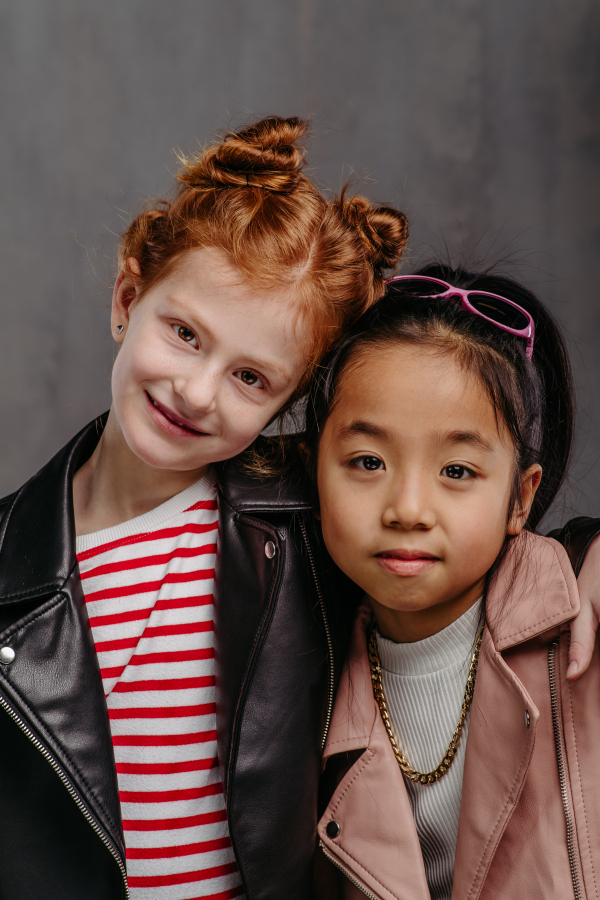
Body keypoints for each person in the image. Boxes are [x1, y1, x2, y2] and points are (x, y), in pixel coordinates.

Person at [0, 115, 410, 900]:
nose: (196, 391)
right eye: (185, 333)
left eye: (251, 378)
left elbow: (457, 536)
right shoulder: (9, 558)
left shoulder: (303, 525)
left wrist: (583, 550)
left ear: (291, 399)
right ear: (128, 297)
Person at [295, 266, 600, 899]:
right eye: (368, 462)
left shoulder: (581, 635)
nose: (408, 508)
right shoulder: (293, 661)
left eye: (457, 470)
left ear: (520, 499)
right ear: (312, 471)